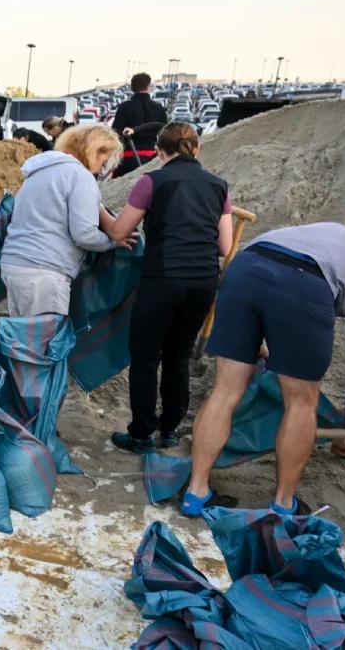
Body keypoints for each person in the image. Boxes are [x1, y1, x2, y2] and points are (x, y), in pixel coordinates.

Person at [181, 223, 345, 517]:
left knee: (225, 390)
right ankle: (284, 504)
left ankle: (195, 493)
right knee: (300, 402)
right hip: (305, 281)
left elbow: (274, 276)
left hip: (247, 265)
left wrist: (260, 340)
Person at [100, 123, 234, 454]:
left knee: (146, 357)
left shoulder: (152, 181)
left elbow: (119, 232)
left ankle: (142, 433)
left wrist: (99, 210)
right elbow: (224, 245)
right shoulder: (220, 186)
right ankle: (170, 430)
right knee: (179, 356)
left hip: (162, 278)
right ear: (196, 149)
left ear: (160, 153)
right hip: (203, 282)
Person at [0, 124, 131, 317]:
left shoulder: (41, 170)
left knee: (24, 340)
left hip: (14, 264)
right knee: (45, 343)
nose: (105, 164)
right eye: (105, 156)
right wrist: (113, 242)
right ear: (94, 150)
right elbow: (84, 234)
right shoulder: (80, 176)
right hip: (45, 271)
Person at [112, 73, 168, 178]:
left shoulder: (124, 107)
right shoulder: (159, 108)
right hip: (153, 158)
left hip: (128, 158)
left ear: (132, 88)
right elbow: (164, 132)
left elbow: (116, 133)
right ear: (148, 86)